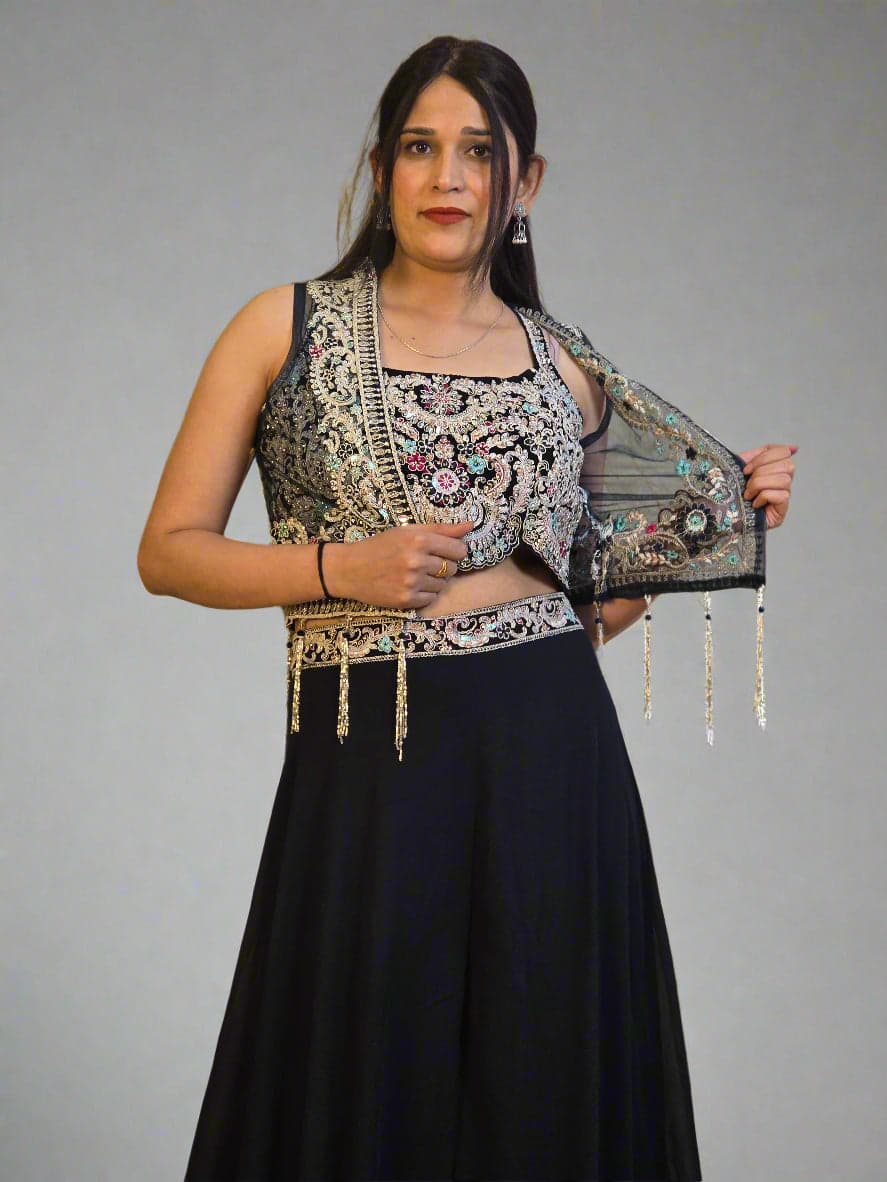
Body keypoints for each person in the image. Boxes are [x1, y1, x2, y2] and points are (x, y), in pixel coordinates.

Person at [137, 34, 796, 1182]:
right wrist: (341, 568)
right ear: (381, 168)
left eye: (478, 153)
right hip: (375, 761)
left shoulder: (563, 366)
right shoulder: (280, 329)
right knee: (364, 1075)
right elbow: (169, 552)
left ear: (524, 182)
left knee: (540, 1075)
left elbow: (581, 608)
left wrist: (729, 512)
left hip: (552, 754)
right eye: (418, 147)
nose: (447, 178)